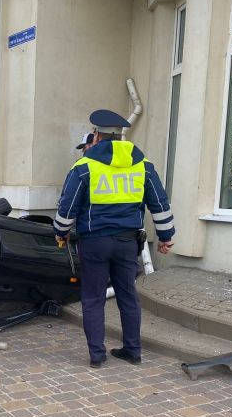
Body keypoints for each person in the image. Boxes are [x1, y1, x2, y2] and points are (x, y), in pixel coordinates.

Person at [54, 109, 175, 369]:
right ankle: (133, 350)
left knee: (94, 298)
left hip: (94, 242)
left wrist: (60, 233)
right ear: (120, 136)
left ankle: (97, 355)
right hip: (127, 243)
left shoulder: (84, 167)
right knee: (128, 296)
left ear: (96, 135)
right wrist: (166, 237)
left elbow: (68, 207)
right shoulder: (144, 166)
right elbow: (160, 204)